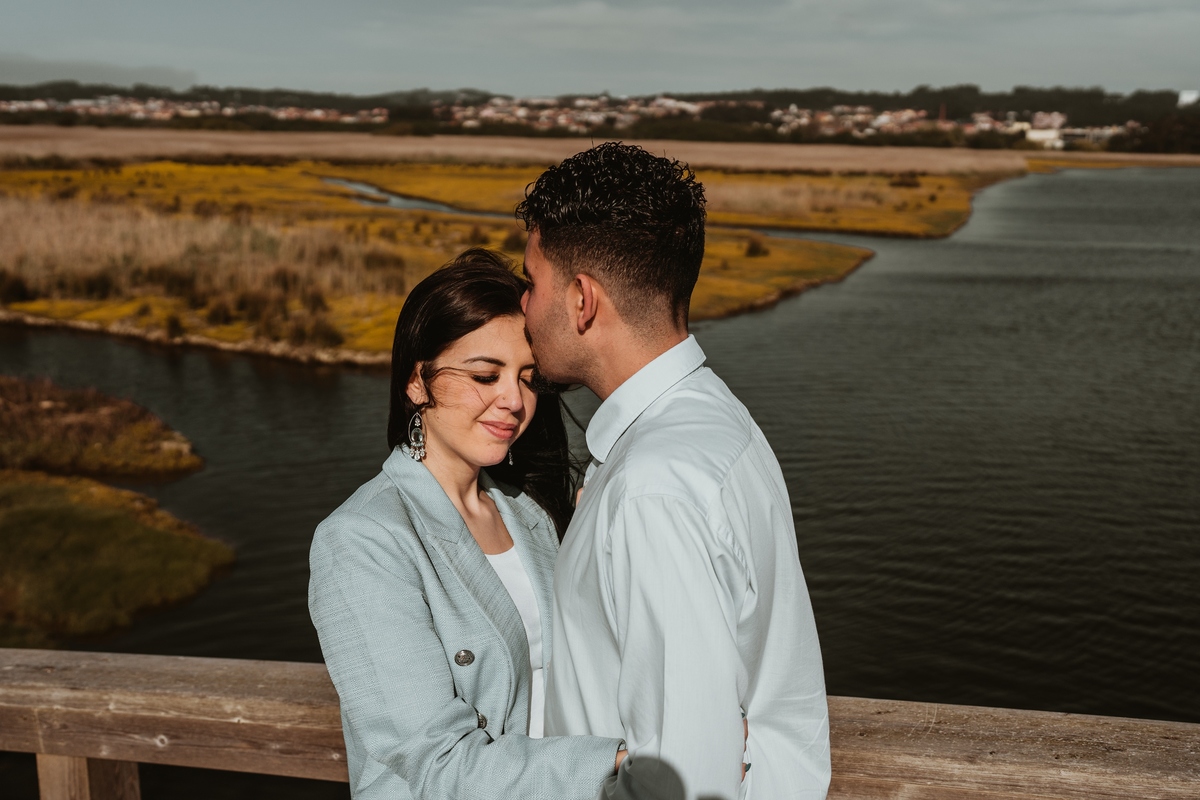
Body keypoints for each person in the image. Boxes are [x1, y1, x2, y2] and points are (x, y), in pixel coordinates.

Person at [518, 142, 832, 800]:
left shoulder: (652, 487)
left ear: (581, 300)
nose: (523, 305)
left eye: (532, 280)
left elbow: (683, 774)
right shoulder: (714, 420)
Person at [308, 249, 627, 800]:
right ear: (418, 382)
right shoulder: (362, 541)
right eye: (485, 374)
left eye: (528, 378)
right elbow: (439, 764)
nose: (514, 401)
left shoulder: (529, 514)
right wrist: (622, 761)